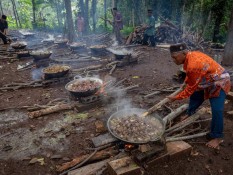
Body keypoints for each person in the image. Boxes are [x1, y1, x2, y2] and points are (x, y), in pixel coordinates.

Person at [168, 43, 231, 149]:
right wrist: (186, 82)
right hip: (207, 79)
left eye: (175, 57)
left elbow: (189, 89)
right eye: (172, 58)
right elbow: (191, 75)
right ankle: (190, 113)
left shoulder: (194, 64)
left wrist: (176, 98)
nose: (174, 60)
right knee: (196, 95)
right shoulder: (191, 55)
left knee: (217, 109)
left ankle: (217, 137)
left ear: (183, 53)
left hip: (220, 81)